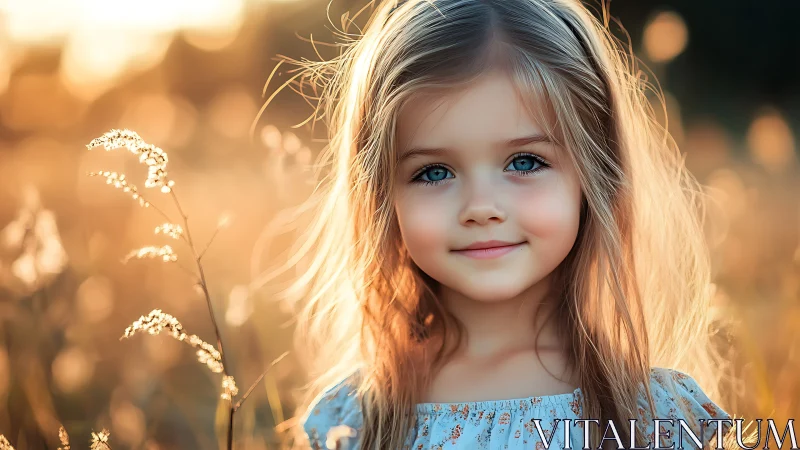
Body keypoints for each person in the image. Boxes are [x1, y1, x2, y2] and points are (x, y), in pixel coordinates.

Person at [261, 0, 742, 448]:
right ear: (383, 198)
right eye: (434, 172)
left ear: (596, 175)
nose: (481, 207)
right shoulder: (361, 417)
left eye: (526, 162)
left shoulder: (651, 416)